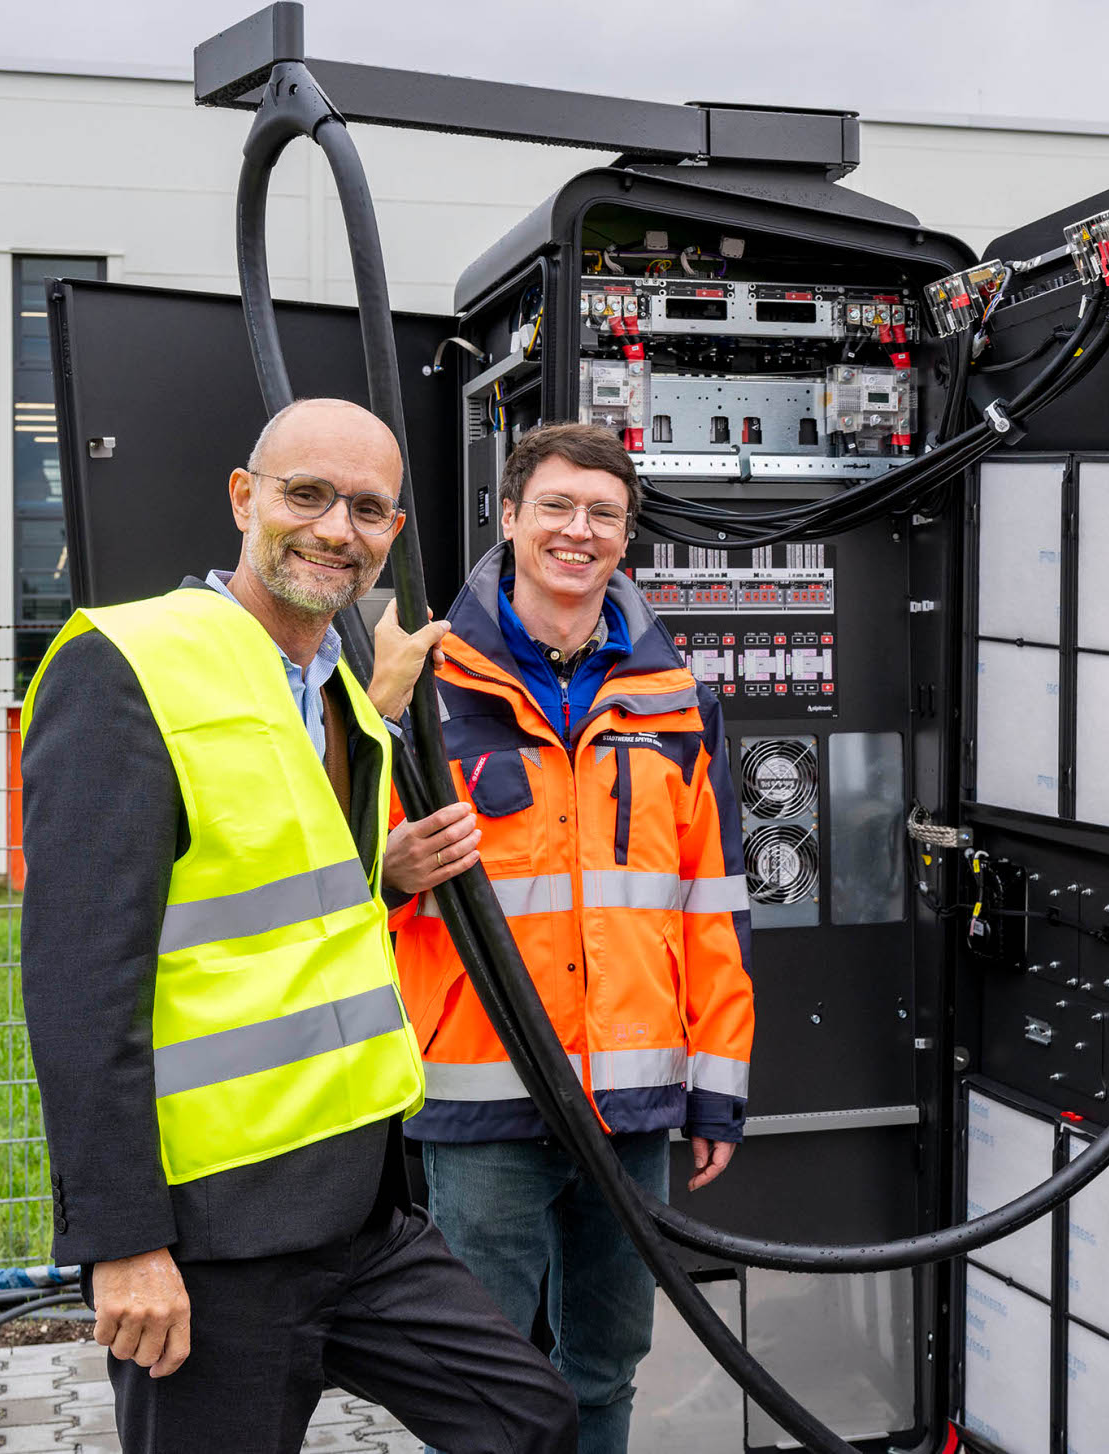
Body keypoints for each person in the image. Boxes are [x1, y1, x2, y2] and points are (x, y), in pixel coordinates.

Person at [19, 397, 576, 1454]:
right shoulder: (132, 666)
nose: (335, 527)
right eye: (306, 494)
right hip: (216, 1237)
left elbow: (284, 896)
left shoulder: (342, 695)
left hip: (360, 1207)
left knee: (529, 1414)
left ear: (394, 535)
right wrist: (123, 1242)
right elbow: (80, 982)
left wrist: (390, 873)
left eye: (367, 508)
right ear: (245, 498)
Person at [383, 421, 755, 1454]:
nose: (577, 531)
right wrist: (385, 866)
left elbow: (710, 899)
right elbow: (323, 862)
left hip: (628, 1107)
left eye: (602, 513)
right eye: (555, 506)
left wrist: (717, 1083)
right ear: (509, 517)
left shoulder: (673, 696)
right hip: (481, 1096)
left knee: (605, 1363)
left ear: (626, 536)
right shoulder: (421, 677)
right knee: (483, 1379)